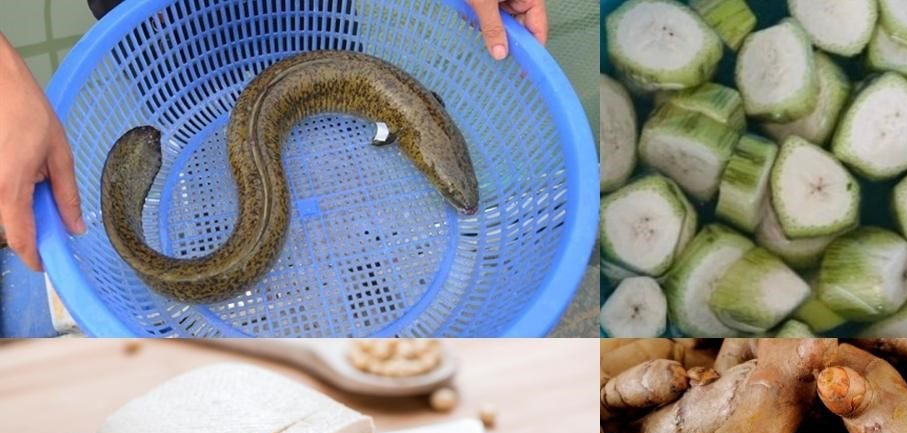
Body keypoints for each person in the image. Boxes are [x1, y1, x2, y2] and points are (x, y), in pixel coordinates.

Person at [0, 0, 547, 272]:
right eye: (450, 187)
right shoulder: (404, 124)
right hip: (161, 16)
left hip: (302, 12)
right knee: (193, 101)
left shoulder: (410, 123)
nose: (455, 196)